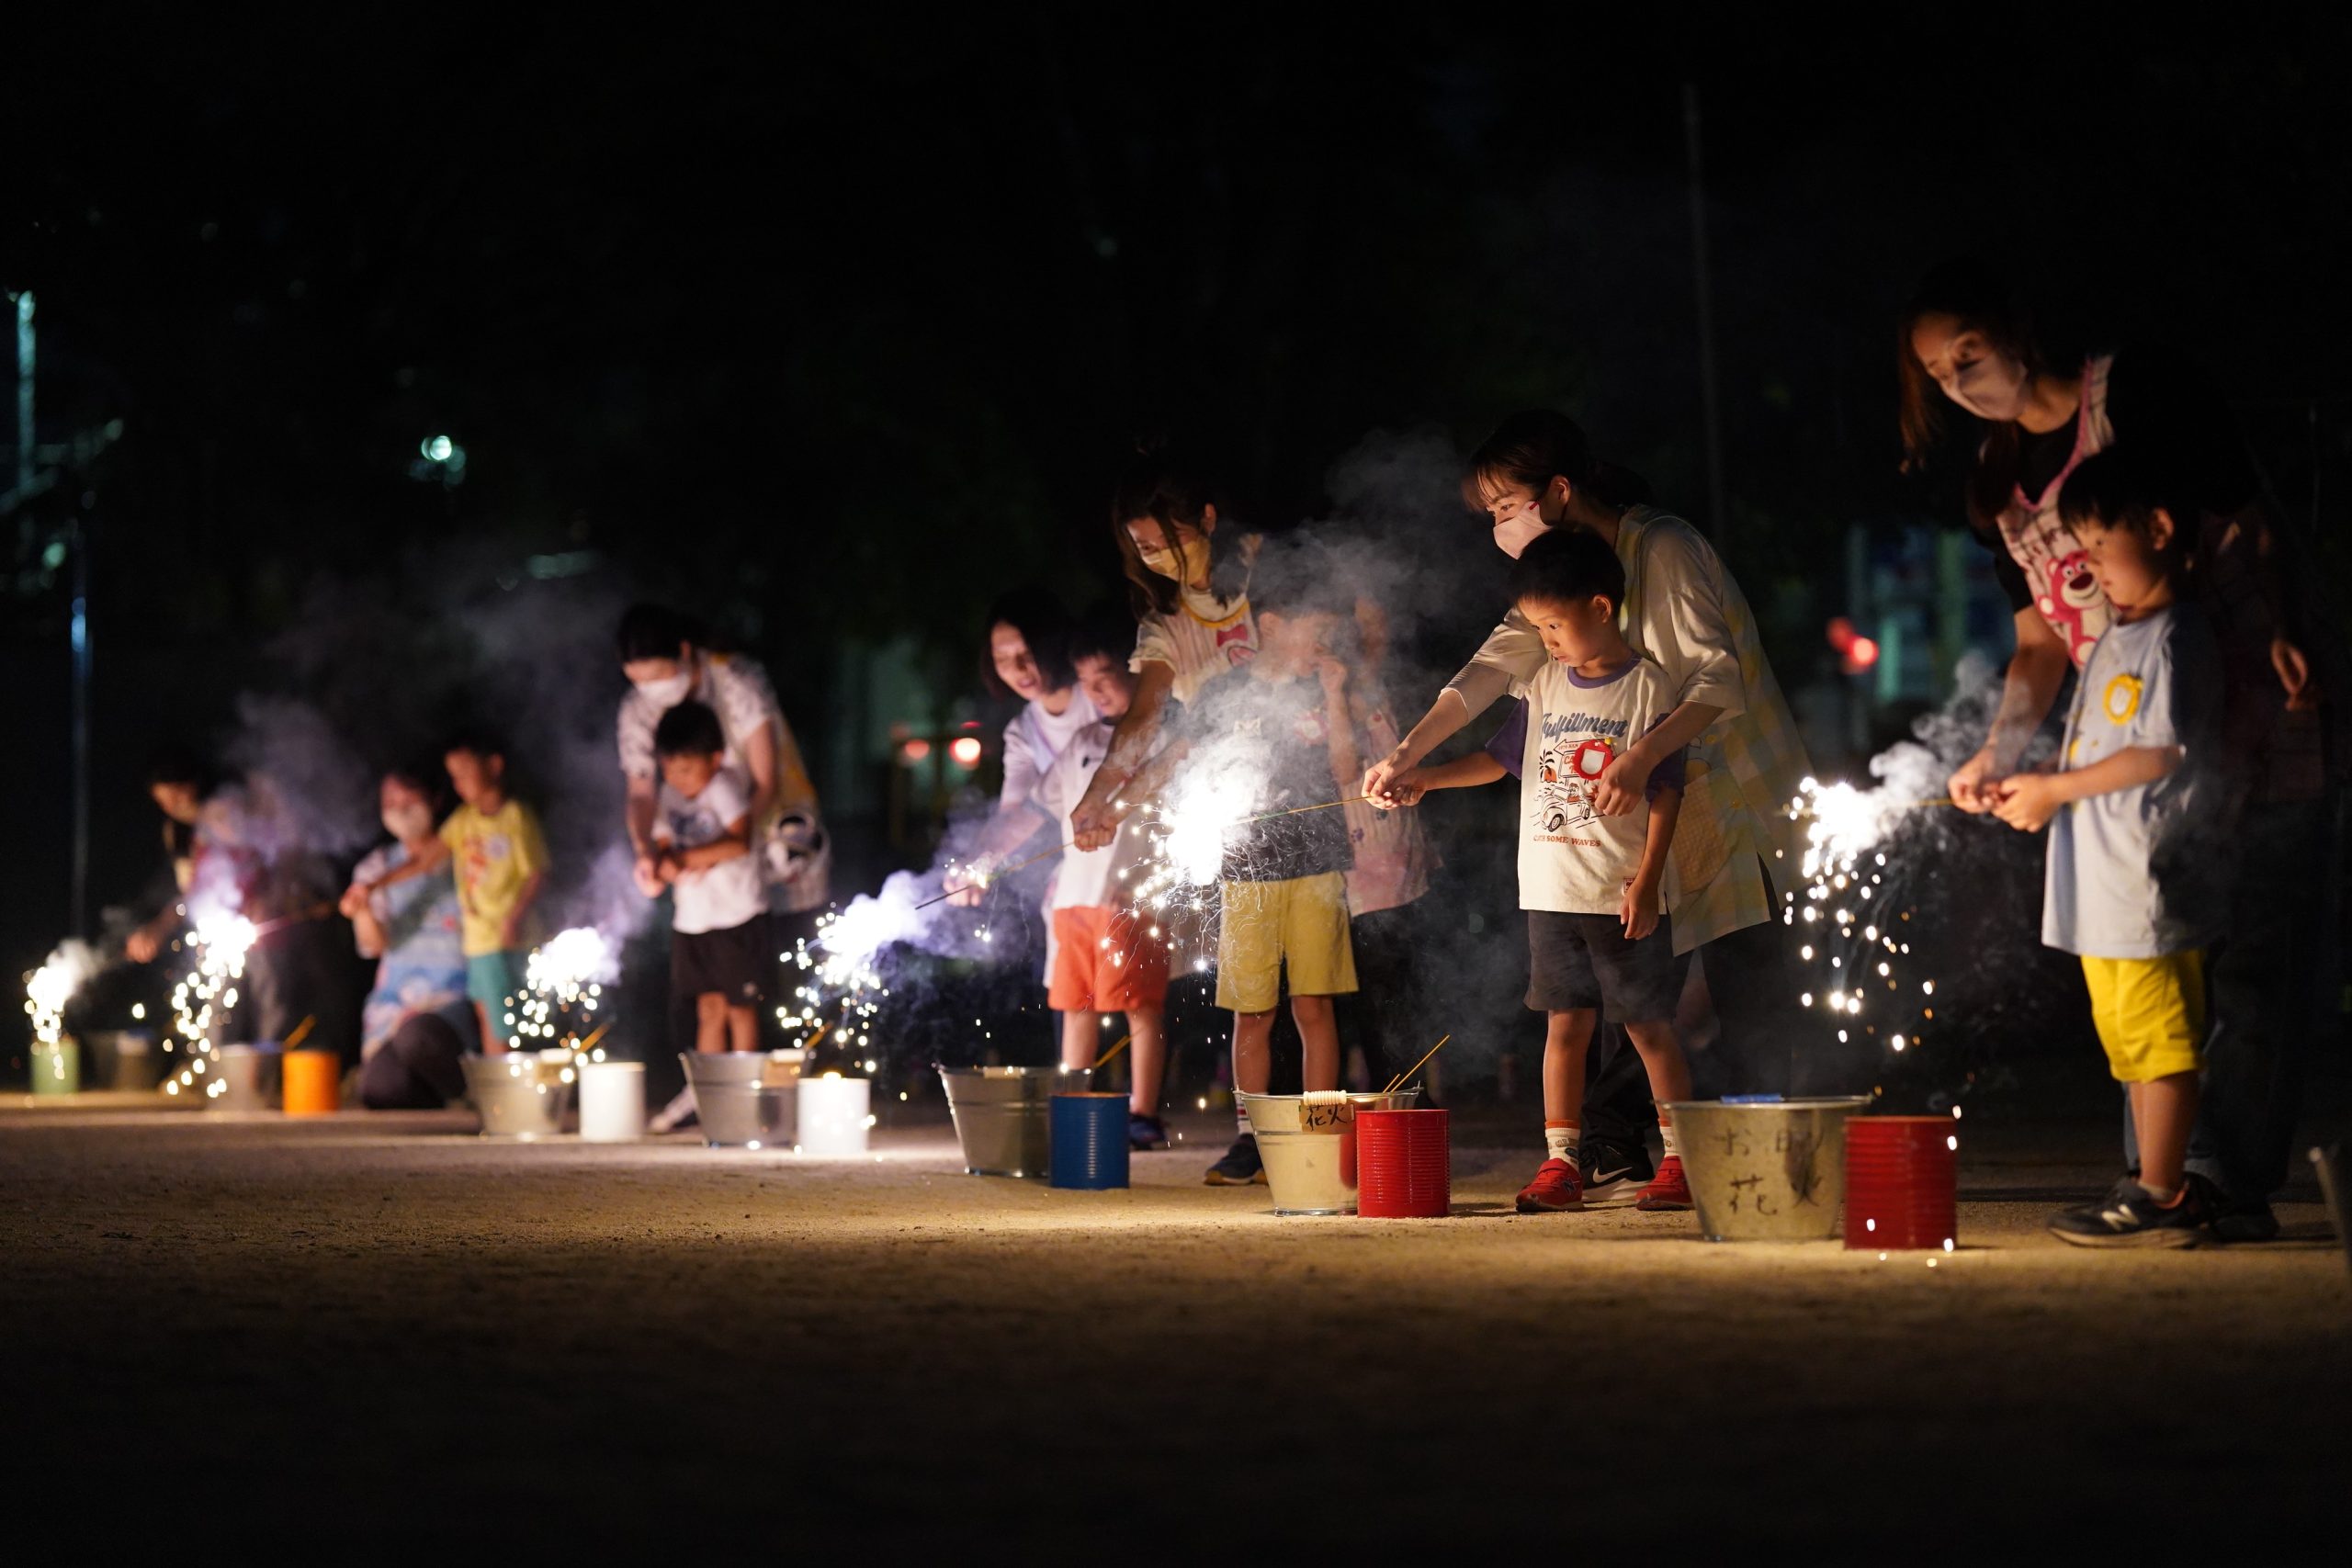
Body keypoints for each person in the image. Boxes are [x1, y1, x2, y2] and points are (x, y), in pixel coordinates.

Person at [1899, 261, 2333, 1238]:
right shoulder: (1992, 488)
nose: (1960, 381)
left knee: (2253, 955)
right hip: (2135, 736)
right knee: (2149, 955)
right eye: (1937, 374)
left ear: (2016, 327)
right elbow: (2041, 644)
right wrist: (1998, 753)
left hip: (2258, 704)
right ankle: (2161, 1176)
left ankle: (2224, 1182)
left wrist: (2281, 626)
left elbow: (2250, 515)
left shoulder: (2135, 392)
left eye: (1967, 353)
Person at [1365, 411, 1813, 1202]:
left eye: (1507, 507)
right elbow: (1487, 672)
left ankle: (1768, 1165)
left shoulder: (1659, 550)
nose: (1500, 526)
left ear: (1560, 491)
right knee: (1626, 1004)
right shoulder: (1558, 591)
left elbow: (1716, 682)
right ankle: (1613, 1147)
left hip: (1730, 797)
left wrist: (1641, 757)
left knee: (1740, 991)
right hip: (1620, 825)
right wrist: (1410, 755)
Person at [1383, 529, 1695, 1212]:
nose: (1547, 640)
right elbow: (1502, 760)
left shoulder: (1650, 688)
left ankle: (1682, 1158)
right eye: (1538, 627)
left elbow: (1669, 791)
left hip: (1618, 894)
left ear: (1602, 607)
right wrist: (1427, 778)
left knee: (1645, 1025)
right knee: (1564, 1026)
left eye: (1556, 625)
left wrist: (1647, 881)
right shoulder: (1545, 683)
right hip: (1551, 891)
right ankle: (1562, 1163)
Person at [1987, 449, 2224, 1245]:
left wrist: (2057, 788)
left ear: (2159, 529)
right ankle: (2150, 1181)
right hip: (2104, 884)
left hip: (2147, 882)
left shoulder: (2174, 635)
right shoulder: (2117, 637)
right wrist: (2042, 781)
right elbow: (2106, 753)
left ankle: (2162, 1189)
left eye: (2097, 546)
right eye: (2078, 550)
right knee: (2129, 1039)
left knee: (2160, 1038)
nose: (2088, 569)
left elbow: (2163, 752)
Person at [1124, 543, 1359, 1186]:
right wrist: (1118, 804)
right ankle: (1251, 1140)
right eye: (1318, 627)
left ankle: (1320, 1137)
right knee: (1252, 1010)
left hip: (1317, 865)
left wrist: (1336, 696)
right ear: (1276, 626)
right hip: (1246, 870)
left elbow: (1346, 774)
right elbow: (1176, 754)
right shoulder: (1228, 689)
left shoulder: (1325, 686)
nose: (1326, 640)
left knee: (1313, 1005)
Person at [1068, 447, 1261, 852]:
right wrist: (1103, 798)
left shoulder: (1265, 566)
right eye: (1148, 548)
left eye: (1172, 538)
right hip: (1230, 796)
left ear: (1207, 519)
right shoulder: (1165, 625)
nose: (1165, 555)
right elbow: (1146, 716)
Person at [1030, 622, 1173, 1149]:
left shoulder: (1161, 741)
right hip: (1074, 900)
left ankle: (1143, 1112)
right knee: (1076, 1004)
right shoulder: (1082, 743)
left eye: (1106, 674)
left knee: (1140, 1005)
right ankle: (1075, 1104)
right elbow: (1048, 803)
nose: (1096, 688)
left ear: (1137, 672)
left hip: (1131, 897)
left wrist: (1142, 880)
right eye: (1085, 679)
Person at [617, 604, 829, 949]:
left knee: (795, 950)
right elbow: (640, 792)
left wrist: (719, 849)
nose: (650, 690)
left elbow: (766, 783)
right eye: (638, 682)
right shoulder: (636, 709)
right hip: (706, 871)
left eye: (656, 677)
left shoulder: (735, 679)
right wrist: (646, 852)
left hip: (775, 835)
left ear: (684, 651)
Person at [369, 732, 548, 1054]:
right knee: (486, 1012)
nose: (459, 784)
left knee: (503, 1017)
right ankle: (497, 1085)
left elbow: (536, 873)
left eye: (465, 772)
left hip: (504, 937)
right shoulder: (463, 821)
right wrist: (373, 885)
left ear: (494, 766)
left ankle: (507, 1088)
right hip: (476, 941)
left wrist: (514, 917)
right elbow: (424, 861)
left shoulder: (515, 818)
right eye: (454, 777)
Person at [634, 701, 768, 1055]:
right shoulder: (669, 794)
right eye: (670, 770)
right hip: (693, 920)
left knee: (741, 1007)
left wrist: (686, 858)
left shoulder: (723, 787)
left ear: (715, 758)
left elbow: (740, 841)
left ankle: (743, 1094)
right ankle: (710, 1096)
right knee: (708, 1009)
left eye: (687, 769)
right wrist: (663, 867)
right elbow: (664, 845)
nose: (678, 779)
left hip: (735, 914)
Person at [341, 767, 475, 1107]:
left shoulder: (465, 852)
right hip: (396, 1002)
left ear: (435, 799)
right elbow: (374, 945)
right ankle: (439, 1094)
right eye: (390, 801)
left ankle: (474, 1092)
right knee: (380, 1089)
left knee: (419, 1039)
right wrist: (363, 910)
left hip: (451, 999)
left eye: (409, 799)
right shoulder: (377, 866)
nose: (399, 809)